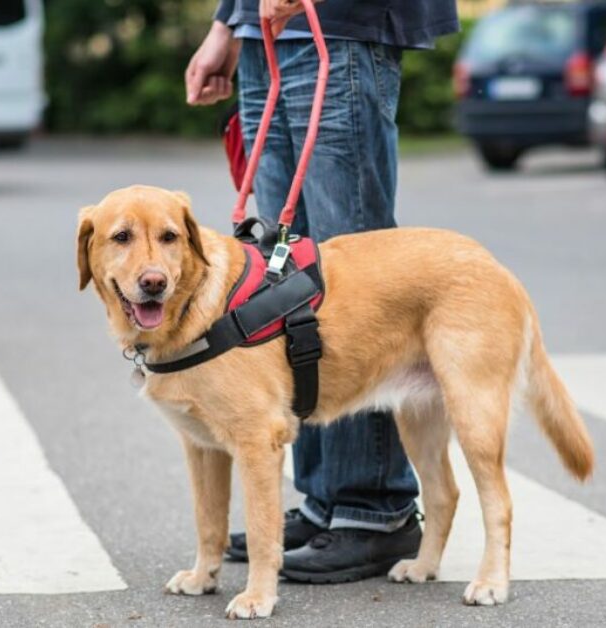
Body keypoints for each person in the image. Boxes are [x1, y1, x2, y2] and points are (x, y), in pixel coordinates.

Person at [184, 0, 459, 583]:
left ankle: (372, 509)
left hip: (341, 25)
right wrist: (225, 26)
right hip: (262, 33)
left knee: (354, 280)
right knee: (285, 281)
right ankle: (323, 500)